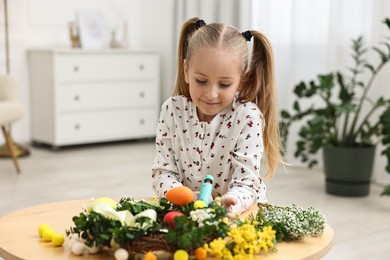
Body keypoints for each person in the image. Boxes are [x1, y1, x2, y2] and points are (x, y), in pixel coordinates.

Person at [152, 17, 283, 216]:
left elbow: (247, 183)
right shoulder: (172, 110)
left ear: (242, 80)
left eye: (224, 84)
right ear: (186, 71)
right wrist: (184, 196)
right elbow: (162, 172)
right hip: (187, 212)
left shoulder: (247, 117)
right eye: (201, 81)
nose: (211, 93)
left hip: (238, 213)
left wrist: (233, 201)